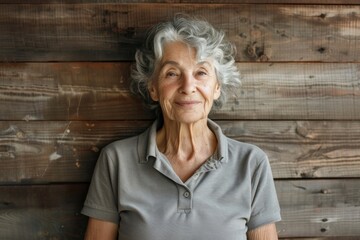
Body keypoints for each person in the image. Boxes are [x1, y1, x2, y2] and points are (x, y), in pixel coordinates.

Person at [81, 14, 281, 240]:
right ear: (154, 88)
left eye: (201, 73)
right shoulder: (116, 161)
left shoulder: (251, 163)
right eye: (172, 73)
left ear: (217, 87)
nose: (188, 86)